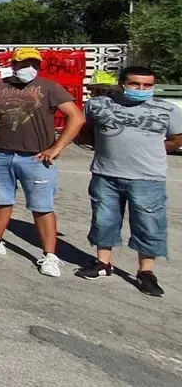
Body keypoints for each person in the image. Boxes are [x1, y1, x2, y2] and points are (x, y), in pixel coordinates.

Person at [0, 47, 85, 278]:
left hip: (35, 157)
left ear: (39, 66)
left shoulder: (49, 88)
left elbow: (76, 117)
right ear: (13, 65)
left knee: (42, 207)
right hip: (0, 154)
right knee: (0, 201)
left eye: (33, 64)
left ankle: (50, 255)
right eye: (22, 64)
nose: (27, 68)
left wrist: (56, 148)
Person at [75, 66, 181, 296]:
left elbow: (177, 138)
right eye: (135, 84)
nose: (141, 89)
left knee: (149, 225)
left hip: (147, 177)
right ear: (122, 83)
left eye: (147, 85)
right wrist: (98, 145)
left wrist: (154, 148)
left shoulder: (167, 109)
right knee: (104, 221)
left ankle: (146, 272)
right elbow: (84, 129)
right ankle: (103, 263)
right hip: (106, 174)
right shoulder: (99, 105)